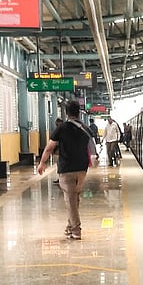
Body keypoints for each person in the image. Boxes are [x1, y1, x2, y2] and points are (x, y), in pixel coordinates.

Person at [38, 101, 93, 240]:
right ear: (79, 112)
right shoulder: (86, 128)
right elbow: (90, 147)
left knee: (70, 199)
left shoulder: (61, 128)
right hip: (82, 168)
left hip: (67, 168)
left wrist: (42, 162)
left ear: (66, 113)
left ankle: (76, 230)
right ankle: (70, 227)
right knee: (75, 198)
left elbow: (50, 147)